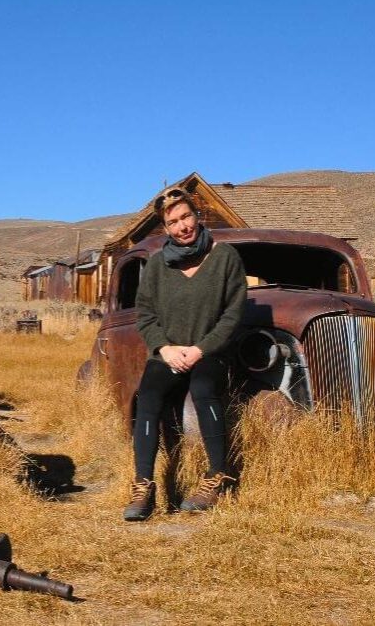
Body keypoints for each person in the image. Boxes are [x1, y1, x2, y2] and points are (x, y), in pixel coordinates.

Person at [123, 187, 247, 521]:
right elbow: (145, 316)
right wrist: (165, 348)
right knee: (148, 395)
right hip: (170, 353)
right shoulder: (156, 266)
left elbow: (233, 315)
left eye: (186, 217)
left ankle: (217, 476)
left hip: (212, 351)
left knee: (204, 388)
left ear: (198, 216)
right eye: (173, 222)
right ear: (165, 228)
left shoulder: (225, 258)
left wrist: (200, 349)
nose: (182, 227)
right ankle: (144, 486)